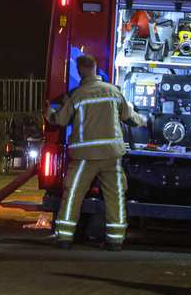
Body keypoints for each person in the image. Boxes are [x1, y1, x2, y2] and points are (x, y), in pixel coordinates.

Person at [51, 52, 145, 251]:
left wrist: (49, 114)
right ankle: (115, 241)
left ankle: (64, 238)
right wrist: (145, 120)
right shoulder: (113, 91)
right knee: (115, 196)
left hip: (85, 156)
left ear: (80, 70)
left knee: (74, 194)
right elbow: (130, 117)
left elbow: (60, 120)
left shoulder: (77, 94)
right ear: (95, 68)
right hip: (111, 155)